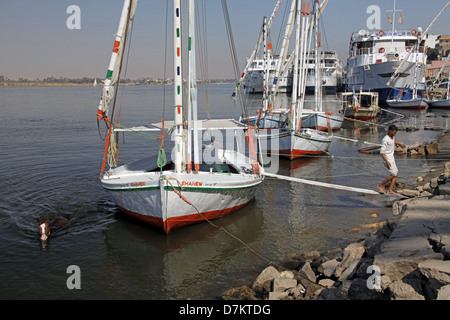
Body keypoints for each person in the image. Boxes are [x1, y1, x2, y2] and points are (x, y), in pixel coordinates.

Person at [377, 125, 405, 195]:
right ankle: (380, 185)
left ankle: (390, 190)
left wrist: (399, 144)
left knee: (396, 174)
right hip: (387, 159)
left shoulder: (392, 137)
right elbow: (381, 152)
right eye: (394, 132)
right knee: (394, 173)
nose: (395, 134)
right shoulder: (385, 139)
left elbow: (393, 141)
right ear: (390, 131)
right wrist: (387, 161)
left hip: (391, 158)